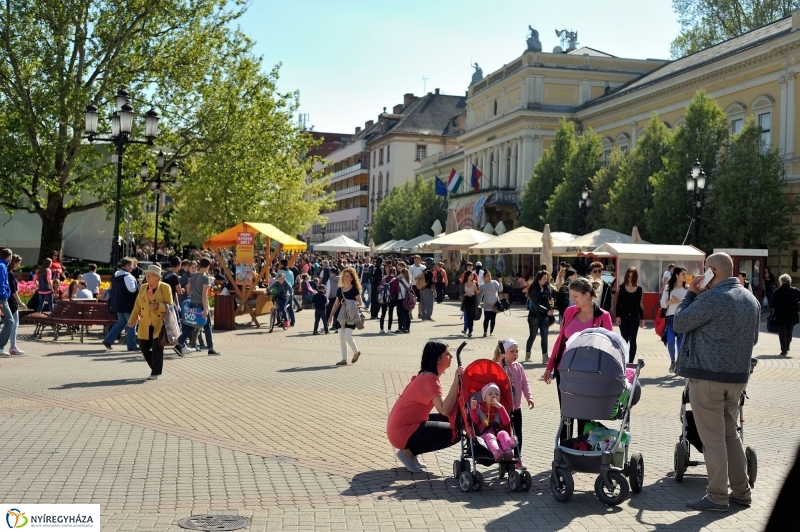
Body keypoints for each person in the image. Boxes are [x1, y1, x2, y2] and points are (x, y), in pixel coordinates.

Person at [673, 252, 760, 512]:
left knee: (712, 439)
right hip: (737, 379)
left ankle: (717, 496)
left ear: (711, 270)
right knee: (730, 435)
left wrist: (691, 294)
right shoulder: (751, 299)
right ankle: (742, 492)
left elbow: (679, 323)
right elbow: (753, 340)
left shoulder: (712, 297)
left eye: (705, 269)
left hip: (707, 377)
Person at [543, 277, 613, 443]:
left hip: (589, 373)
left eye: (575, 296)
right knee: (566, 412)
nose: (572, 300)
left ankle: (581, 448)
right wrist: (550, 366)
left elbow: (610, 347)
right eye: (571, 296)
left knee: (584, 413)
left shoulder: (603, 317)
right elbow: (560, 340)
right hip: (565, 370)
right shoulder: (569, 312)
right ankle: (564, 450)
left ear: (587, 294)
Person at [386, 341, 464, 473]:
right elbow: (444, 409)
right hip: (402, 431)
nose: (451, 357)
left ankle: (410, 452)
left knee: (455, 421)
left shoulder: (427, 375)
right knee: (456, 433)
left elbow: (447, 409)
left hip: (402, 427)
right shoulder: (429, 378)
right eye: (447, 354)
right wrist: (456, 380)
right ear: (438, 358)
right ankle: (409, 453)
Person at [127, 264, 174, 380]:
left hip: (159, 323)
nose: (148, 278)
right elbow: (137, 305)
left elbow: (170, 306)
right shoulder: (143, 287)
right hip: (145, 323)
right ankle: (155, 366)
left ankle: (155, 372)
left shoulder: (165, 287)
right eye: (147, 275)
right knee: (143, 346)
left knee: (157, 348)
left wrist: (158, 305)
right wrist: (131, 320)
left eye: (151, 276)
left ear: (157, 277)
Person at [492, 339, 534, 468]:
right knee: (505, 433)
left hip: (516, 408)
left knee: (518, 433)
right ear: (504, 353)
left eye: (517, 351)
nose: (515, 354)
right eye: (512, 351)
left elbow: (524, 384)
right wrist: (501, 360)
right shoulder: (500, 367)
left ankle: (517, 457)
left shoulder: (519, 367)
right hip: (504, 408)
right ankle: (504, 454)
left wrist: (529, 397)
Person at [174, 257, 220, 356]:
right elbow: (204, 294)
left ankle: (180, 343)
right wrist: (205, 309)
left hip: (193, 303)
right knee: (207, 327)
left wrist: (193, 294)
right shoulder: (205, 278)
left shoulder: (193, 275)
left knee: (192, 325)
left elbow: (188, 290)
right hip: (201, 304)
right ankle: (210, 348)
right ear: (207, 266)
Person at [470, 383, 517, 462]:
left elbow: (506, 422)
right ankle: (497, 452)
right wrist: (473, 409)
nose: (494, 396)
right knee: (489, 436)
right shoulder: (479, 407)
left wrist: (501, 408)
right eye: (490, 394)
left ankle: (508, 451)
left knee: (503, 433)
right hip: (484, 434)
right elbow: (476, 421)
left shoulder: (500, 408)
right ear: (484, 398)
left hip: (497, 432)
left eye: (497, 394)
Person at [328, 266, 363, 365]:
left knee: (347, 337)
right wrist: (331, 316)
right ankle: (344, 359)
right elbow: (336, 304)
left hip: (351, 316)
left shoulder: (354, 290)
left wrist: (348, 302)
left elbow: (360, 303)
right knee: (342, 338)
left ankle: (356, 352)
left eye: (347, 276)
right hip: (342, 316)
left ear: (352, 278)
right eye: (344, 276)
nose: (345, 278)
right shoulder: (340, 290)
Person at [103, 257, 139, 351]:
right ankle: (131, 345)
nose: (132, 267)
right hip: (127, 305)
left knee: (121, 323)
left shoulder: (116, 275)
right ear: (126, 265)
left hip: (118, 305)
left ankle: (108, 340)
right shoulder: (128, 276)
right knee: (131, 324)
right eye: (131, 265)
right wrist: (138, 286)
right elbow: (132, 290)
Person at [661, 266, 689, 373]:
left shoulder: (688, 289)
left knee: (681, 344)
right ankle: (673, 361)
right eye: (683, 274)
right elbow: (662, 304)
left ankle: (679, 362)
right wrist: (671, 302)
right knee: (671, 341)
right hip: (671, 318)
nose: (685, 276)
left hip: (683, 318)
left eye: (685, 274)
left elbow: (691, 304)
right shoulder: (668, 288)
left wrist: (679, 301)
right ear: (677, 275)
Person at [616, 266, 645, 364]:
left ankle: (631, 362)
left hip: (634, 317)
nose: (630, 278)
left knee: (633, 339)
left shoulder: (639, 289)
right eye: (628, 276)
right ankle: (623, 361)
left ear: (635, 277)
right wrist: (618, 316)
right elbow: (618, 303)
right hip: (623, 317)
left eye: (632, 277)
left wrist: (642, 318)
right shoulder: (622, 288)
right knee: (624, 339)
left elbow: (640, 305)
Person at [524, 271, 553, 363]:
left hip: (544, 316)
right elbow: (536, 305)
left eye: (546, 278)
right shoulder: (533, 289)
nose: (546, 280)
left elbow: (548, 301)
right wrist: (546, 311)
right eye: (544, 278)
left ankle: (545, 357)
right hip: (534, 316)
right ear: (539, 279)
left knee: (544, 336)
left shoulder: (546, 288)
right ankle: (528, 354)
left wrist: (551, 308)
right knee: (533, 335)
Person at [2, 254, 27, 356]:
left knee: (10, 324)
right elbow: (13, 291)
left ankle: (11, 346)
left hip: (7, 301)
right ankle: (12, 347)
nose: (19, 265)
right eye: (18, 263)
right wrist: (20, 302)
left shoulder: (6, 272)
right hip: (11, 302)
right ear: (14, 262)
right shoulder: (10, 274)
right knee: (13, 324)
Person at [769, 273, 799, 356]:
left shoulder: (777, 292)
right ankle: (787, 346)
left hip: (780, 315)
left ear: (781, 282)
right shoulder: (794, 290)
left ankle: (783, 350)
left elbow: (771, 305)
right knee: (789, 331)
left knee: (781, 332)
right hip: (792, 315)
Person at [0, 248, 17, 357]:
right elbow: (2, 283)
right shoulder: (2, 266)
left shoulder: (2, 265)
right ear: (9, 256)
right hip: (2, 298)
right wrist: (5, 294)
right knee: (10, 321)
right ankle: (1, 346)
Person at [479, 271, 502, 337]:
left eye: (489, 275)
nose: (489, 277)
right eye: (487, 276)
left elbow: (500, 290)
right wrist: (478, 304)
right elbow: (480, 296)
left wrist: (500, 282)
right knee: (486, 318)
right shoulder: (482, 286)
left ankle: (491, 331)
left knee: (493, 318)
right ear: (484, 277)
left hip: (494, 305)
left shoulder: (494, 282)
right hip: (487, 305)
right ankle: (485, 332)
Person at [460, 264, 479, 337]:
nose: (472, 276)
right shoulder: (463, 284)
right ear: (467, 276)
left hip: (473, 300)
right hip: (466, 300)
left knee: (471, 316)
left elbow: (478, 292)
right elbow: (461, 293)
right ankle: (468, 329)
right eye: (470, 275)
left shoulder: (475, 283)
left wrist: (475, 288)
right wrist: (466, 294)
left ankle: (470, 331)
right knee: (467, 316)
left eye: (472, 275)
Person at [378, 266, 396, 334]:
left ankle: (381, 329)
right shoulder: (395, 280)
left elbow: (380, 287)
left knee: (383, 313)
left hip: (384, 297)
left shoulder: (384, 279)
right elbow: (396, 290)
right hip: (391, 298)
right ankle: (389, 329)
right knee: (390, 314)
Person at [394, 268, 412, 334]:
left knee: (400, 314)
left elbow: (397, 289)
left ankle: (400, 328)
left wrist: (398, 276)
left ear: (403, 273)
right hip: (407, 299)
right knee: (406, 314)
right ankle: (407, 328)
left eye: (401, 273)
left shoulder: (400, 281)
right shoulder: (409, 281)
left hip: (400, 298)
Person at [408, 255, 426, 319]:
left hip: (421, 286)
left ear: (420, 260)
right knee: (412, 300)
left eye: (417, 260)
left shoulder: (423, 267)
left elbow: (424, 276)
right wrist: (415, 278)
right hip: (413, 285)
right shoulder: (411, 267)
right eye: (415, 260)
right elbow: (409, 276)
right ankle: (410, 313)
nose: (416, 261)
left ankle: (419, 313)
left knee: (420, 300)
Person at [325, 266, 340, 332]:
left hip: (331, 297)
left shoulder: (330, 279)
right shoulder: (340, 278)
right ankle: (337, 327)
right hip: (338, 297)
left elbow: (328, 290)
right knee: (337, 313)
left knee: (328, 312)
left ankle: (326, 326)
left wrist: (326, 298)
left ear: (331, 272)